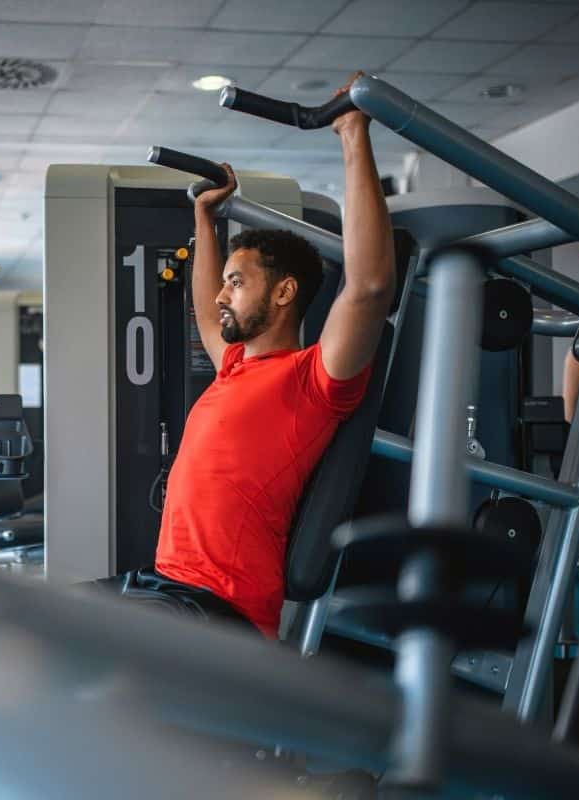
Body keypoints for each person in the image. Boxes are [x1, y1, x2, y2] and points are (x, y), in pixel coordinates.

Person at [96, 74, 397, 638]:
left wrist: (353, 132)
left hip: (215, 609)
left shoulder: (314, 379)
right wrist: (205, 221)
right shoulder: (235, 366)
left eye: (237, 282)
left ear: (284, 292)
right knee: (19, 617)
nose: (221, 294)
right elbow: (208, 314)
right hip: (163, 584)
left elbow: (370, 288)